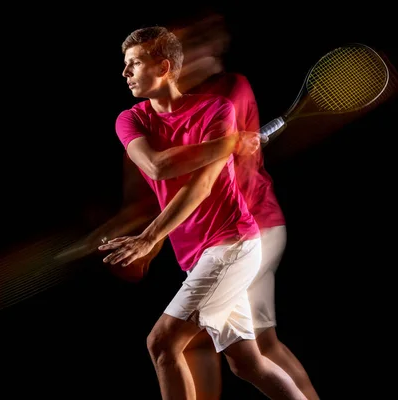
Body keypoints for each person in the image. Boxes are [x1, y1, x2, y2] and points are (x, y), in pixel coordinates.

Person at [98, 26, 307, 399]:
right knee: (248, 363)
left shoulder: (216, 109)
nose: (125, 73)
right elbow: (158, 166)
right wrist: (229, 143)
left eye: (134, 63)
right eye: (125, 64)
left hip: (233, 244)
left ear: (163, 67)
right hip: (197, 256)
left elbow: (201, 186)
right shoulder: (131, 119)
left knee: (162, 344)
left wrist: (149, 237)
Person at [175, 14, 320, 400]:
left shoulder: (228, 89)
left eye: (184, 49)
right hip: (223, 239)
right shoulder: (172, 111)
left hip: (251, 230)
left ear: (210, 51)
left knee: (247, 347)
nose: (175, 61)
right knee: (203, 347)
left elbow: (205, 170)